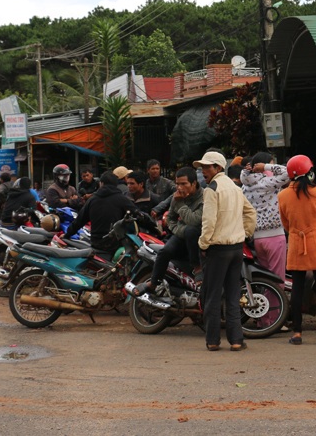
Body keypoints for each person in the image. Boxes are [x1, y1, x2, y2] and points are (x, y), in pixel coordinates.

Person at [195, 150, 257, 352]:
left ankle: (213, 340)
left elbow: (209, 222)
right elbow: (250, 212)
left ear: (218, 168)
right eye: (203, 167)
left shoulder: (212, 189)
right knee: (232, 295)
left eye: (207, 167)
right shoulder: (235, 187)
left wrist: (203, 244)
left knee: (212, 296)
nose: (204, 170)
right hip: (236, 247)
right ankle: (236, 340)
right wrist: (245, 233)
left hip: (218, 248)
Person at [278, 155, 316, 345]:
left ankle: (297, 333)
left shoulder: (283, 195)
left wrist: (296, 231)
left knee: (296, 289)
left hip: (296, 243)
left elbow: (285, 222)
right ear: (308, 172)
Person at [133, 167, 205, 296]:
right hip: (181, 234)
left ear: (194, 183)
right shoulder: (176, 196)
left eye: (184, 184)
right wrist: (178, 230)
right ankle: (153, 282)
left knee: (191, 230)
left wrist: (181, 203)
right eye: (177, 184)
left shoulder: (203, 197)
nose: (180, 187)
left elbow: (194, 220)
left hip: (198, 236)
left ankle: (197, 268)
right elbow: (170, 218)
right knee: (164, 252)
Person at [241, 151, 290, 281]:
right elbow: (288, 172)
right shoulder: (267, 182)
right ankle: (276, 302)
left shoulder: (245, 187)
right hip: (275, 236)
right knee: (277, 279)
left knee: (266, 278)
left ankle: (267, 301)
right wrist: (266, 166)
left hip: (257, 238)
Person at [65, 172, 138, 252]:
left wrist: (67, 234)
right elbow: (138, 214)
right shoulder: (122, 199)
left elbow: (79, 221)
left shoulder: (92, 200)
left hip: (96, 243)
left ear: (101, 183)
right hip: (115, 245)